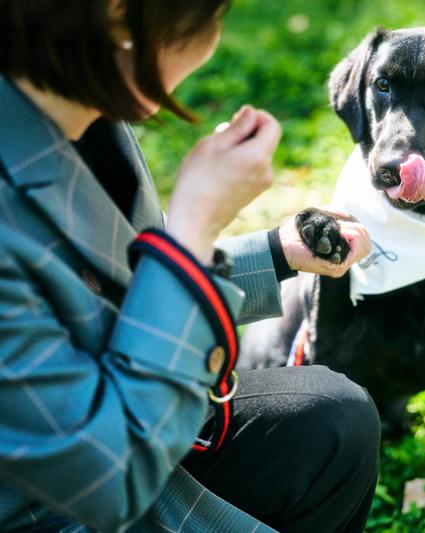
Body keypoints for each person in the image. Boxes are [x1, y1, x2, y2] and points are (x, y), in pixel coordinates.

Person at [0, 1, 380, 532]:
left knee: (334, 419)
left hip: (147, 427)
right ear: (119, 13)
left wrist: (276, 252)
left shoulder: (88, 110)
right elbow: (109, 480)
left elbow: (126, 290)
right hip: (73, 502)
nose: (214, 36)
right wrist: (192, 226)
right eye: (214, 13)